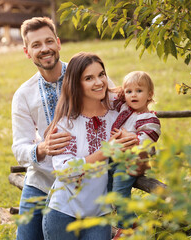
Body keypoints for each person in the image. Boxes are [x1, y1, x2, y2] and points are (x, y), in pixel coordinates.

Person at [42, 52, 138, 240]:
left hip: (98, 215)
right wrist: (104, 152)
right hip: (63, 213)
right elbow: (64, 169)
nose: (99, 82)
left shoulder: (115, 117)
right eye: (89, 78)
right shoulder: (66, 123)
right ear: (76, 84)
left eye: (101, 74)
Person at [11, 17, 72, 240]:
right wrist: (42, 148)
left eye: (49, 42)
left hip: (82, 179)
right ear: (27, 52)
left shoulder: (85, 75)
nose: (44, 49)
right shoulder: (23, 95)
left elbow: (115, 105)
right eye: (36, 45)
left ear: (58, 42)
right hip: (41, 181)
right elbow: (19, 148)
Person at [110, 71, 161, 238]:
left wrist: (129, 138)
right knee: (108, 187)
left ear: (149, 94)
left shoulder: (149, 119)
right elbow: (112, 96)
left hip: (132, 162)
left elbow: (146, 142)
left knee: (119, 193)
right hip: (115, 159)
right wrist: (120, 90)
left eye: (139, 91)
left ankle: (125, 227)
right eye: (129, 91)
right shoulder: (125, 108)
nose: (133, 95)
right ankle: (132, 223)